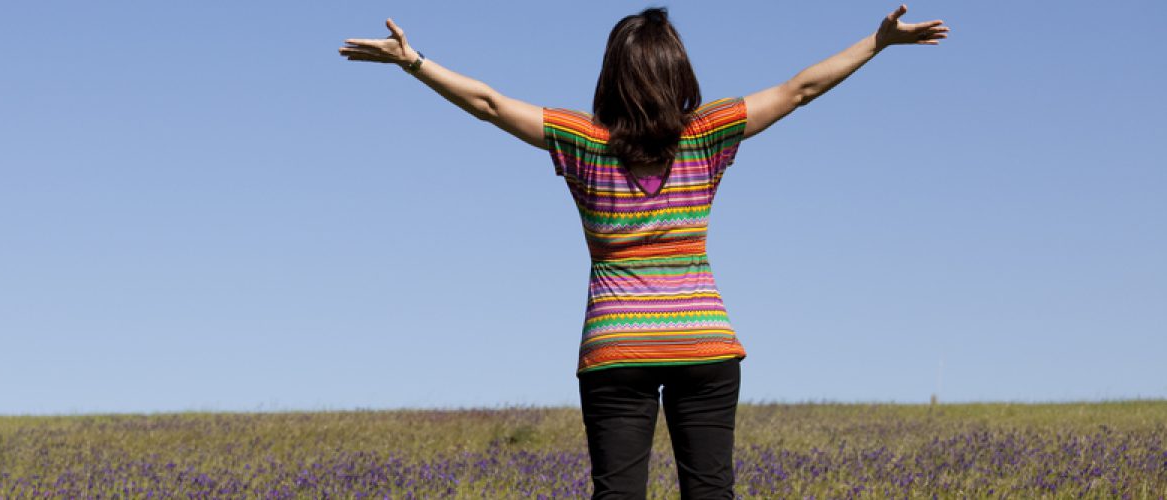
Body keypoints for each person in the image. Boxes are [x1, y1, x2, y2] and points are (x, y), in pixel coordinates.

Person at [338, 4, 949, 499]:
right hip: (703, 344)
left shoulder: (584, 142)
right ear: (678, 75)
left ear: (612, 77)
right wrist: (876, 42)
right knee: (712, 493)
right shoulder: (707, 134)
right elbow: (800, 90)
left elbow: (490, 104)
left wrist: (413, 62)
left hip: (616, 348)